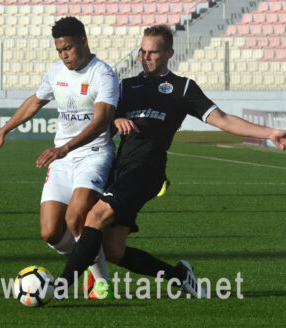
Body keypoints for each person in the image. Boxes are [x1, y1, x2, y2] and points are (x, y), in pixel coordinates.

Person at [55, 24, 286, 299]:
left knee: (95, 217)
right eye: (142, 51)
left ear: (169, 53)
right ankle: (179, 276)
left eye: (153, 52)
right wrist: (114, 118)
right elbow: (101, 121)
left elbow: (222, 119)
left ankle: (57, 288)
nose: (146, 57)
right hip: (120, 169)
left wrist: (270, 132)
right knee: (115, 251)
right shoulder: (125, 86)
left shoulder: (183, 87)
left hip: (147, 169)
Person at [0, 17, 119, 298]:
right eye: (59, 50)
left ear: (83, 41)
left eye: (68, 48)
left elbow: (102, 120)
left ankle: (100, 281)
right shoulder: (56, 72)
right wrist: (4, 129)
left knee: (76, 217)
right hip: (62, 159)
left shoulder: (103, 75)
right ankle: (90, 252)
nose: (64, 55)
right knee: (51, 233)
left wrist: (65, 148)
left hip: (93, 155)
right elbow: (35, 101)